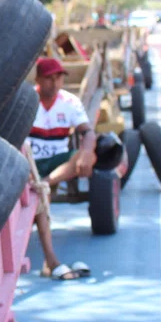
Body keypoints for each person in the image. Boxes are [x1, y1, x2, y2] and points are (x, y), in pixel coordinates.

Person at [28, 57, 96, 280]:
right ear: (38, 79)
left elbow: (88, 133)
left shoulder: (70, 101)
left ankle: (44, 184)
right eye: (49, 78)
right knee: (40, 199)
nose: (55, 82)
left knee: (83, 155)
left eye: (59, 77)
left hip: (57, 162)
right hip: (30, 162)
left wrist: (86, 154)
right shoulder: (27, 101)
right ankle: (51, 261)